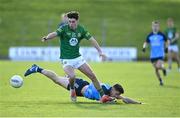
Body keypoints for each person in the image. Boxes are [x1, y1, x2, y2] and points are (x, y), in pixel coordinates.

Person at [39, 11, 110, 102]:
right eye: (70, 21)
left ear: (77, 21)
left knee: (93, 76)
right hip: (66, 59)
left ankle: (103, 96)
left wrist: (100, 51)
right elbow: (54, 33)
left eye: (73, 21)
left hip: (78, 58)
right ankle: (72, 89)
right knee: (72, 76)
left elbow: (92, 40)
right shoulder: (64, 28)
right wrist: (47, 37)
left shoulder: (81, 29)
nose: (71, 24)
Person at [24, 64, 142, 104]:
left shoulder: (111, 92)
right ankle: (37, 68)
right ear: (113, 89)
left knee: (58, 80)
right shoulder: (105, 89)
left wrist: (138, 102)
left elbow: (125, 99)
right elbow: (103, 101)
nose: (117, 96)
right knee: (56, 79)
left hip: (81, 89)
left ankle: (70, 78)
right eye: (116, 93)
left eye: (117, 95)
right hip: (79, 86)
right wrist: (112, 100)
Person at [142, 21, 169, 86]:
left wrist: (166, 47)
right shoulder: (150, 35)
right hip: (153, 55)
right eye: (154, 26)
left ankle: (163, 69)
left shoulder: (162, 35)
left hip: (160, 54)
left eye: (156, 26)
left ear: (159, 27)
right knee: (156, 69)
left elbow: (167, 41)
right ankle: (161, 81)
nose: (155, 27)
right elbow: (146, 42)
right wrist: (144, 48)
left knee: (158, 66)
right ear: (152, 27)